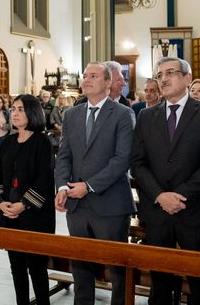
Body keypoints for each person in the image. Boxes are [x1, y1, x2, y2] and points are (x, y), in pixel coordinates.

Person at [131, 57, 200, 305]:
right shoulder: (146, 116)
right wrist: (160, 196)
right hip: (157, 211)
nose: (163, 78)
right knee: (159, 280)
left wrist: (179, 196)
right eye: (159, 74)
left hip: (194, 209)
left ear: (187, 78)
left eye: (170, 72)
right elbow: (138, 163)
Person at [54, 62, 135, 305]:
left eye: (94, 76)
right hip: (77, 207)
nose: (86, 79)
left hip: (109, 204)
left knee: (116, 268)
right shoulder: (72, 114)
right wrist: (61, 187)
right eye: (85, 75)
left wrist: (88, 186)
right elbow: (64, 155)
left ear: (108, 82)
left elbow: (122, 159)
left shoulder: (122, 113)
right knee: (80, 267)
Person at [0, 94, 55, 305]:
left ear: (32, 113)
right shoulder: (8, 141)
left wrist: (24, 204)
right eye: (14, 109)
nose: (15, 114)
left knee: (36, 268)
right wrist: (0, 201)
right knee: (16, 268)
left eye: (20, 109)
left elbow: (45, 178)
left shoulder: (42, 142)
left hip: (34, 216)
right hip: (9, 213)